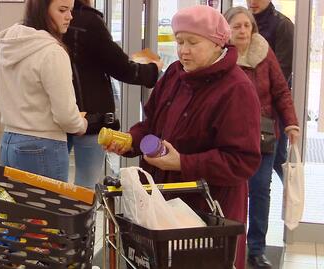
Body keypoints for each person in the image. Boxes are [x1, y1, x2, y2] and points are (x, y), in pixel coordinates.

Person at [104, 5, 261, 269]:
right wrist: (131, 141)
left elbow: (242, 161)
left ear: (216, 44)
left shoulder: (237, 89)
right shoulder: (175, 75)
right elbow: (152, 125)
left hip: (208, 214)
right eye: (179, 42)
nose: (183, 50)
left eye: (192, 42)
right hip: (163, 205)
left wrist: (183, 163)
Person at [224, 7, 300, 268]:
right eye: (237, 26)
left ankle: (256, 249)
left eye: (247, 25)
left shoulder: (264, 53)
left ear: (253, 29)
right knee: (231, 193)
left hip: (263, 135)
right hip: (229, 138)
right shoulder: (221, 57)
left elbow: (280, 90)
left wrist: (291, 123)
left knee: (259, 191)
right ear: (226, 30)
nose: (243, 30)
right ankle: (229, 246)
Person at [62, 0, 163, 189]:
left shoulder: (42, 21)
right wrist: (152, 70)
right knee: (86, 185)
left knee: (51, 185)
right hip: (91, 117)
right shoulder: (88, 20)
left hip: (56, 116)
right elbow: (121, 67)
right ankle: (81, 218)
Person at [0, 0, 87, 182]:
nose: (70, 16)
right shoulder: (52, 52)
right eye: (62, 10)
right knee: (47, 210)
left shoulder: (4, 45)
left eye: (70, 10)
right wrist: (80, 124)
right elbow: (65, 115)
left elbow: (0, 94)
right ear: (42, 10)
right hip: (43, 145)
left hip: (8, 142)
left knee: (15, 209)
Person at [247, 0, 295, 183]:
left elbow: (282, 75)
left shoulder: (282, 25)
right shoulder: (243, 21)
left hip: (272, 110)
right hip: (246, 109)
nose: (253, 1)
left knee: (277, 159)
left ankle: (291, 201)